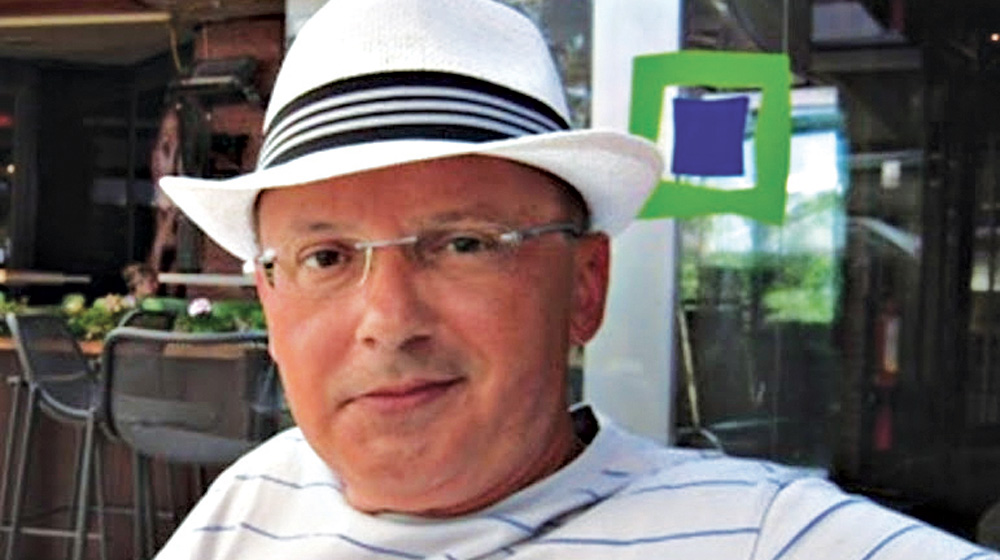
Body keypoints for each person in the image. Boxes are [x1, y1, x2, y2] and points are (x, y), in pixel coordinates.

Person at [155, 0, 999, 558]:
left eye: (464, 243)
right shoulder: (252, 500)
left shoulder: (757, 535)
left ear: (585, 286)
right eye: (326, 257)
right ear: (270, 303)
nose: (389, 319)